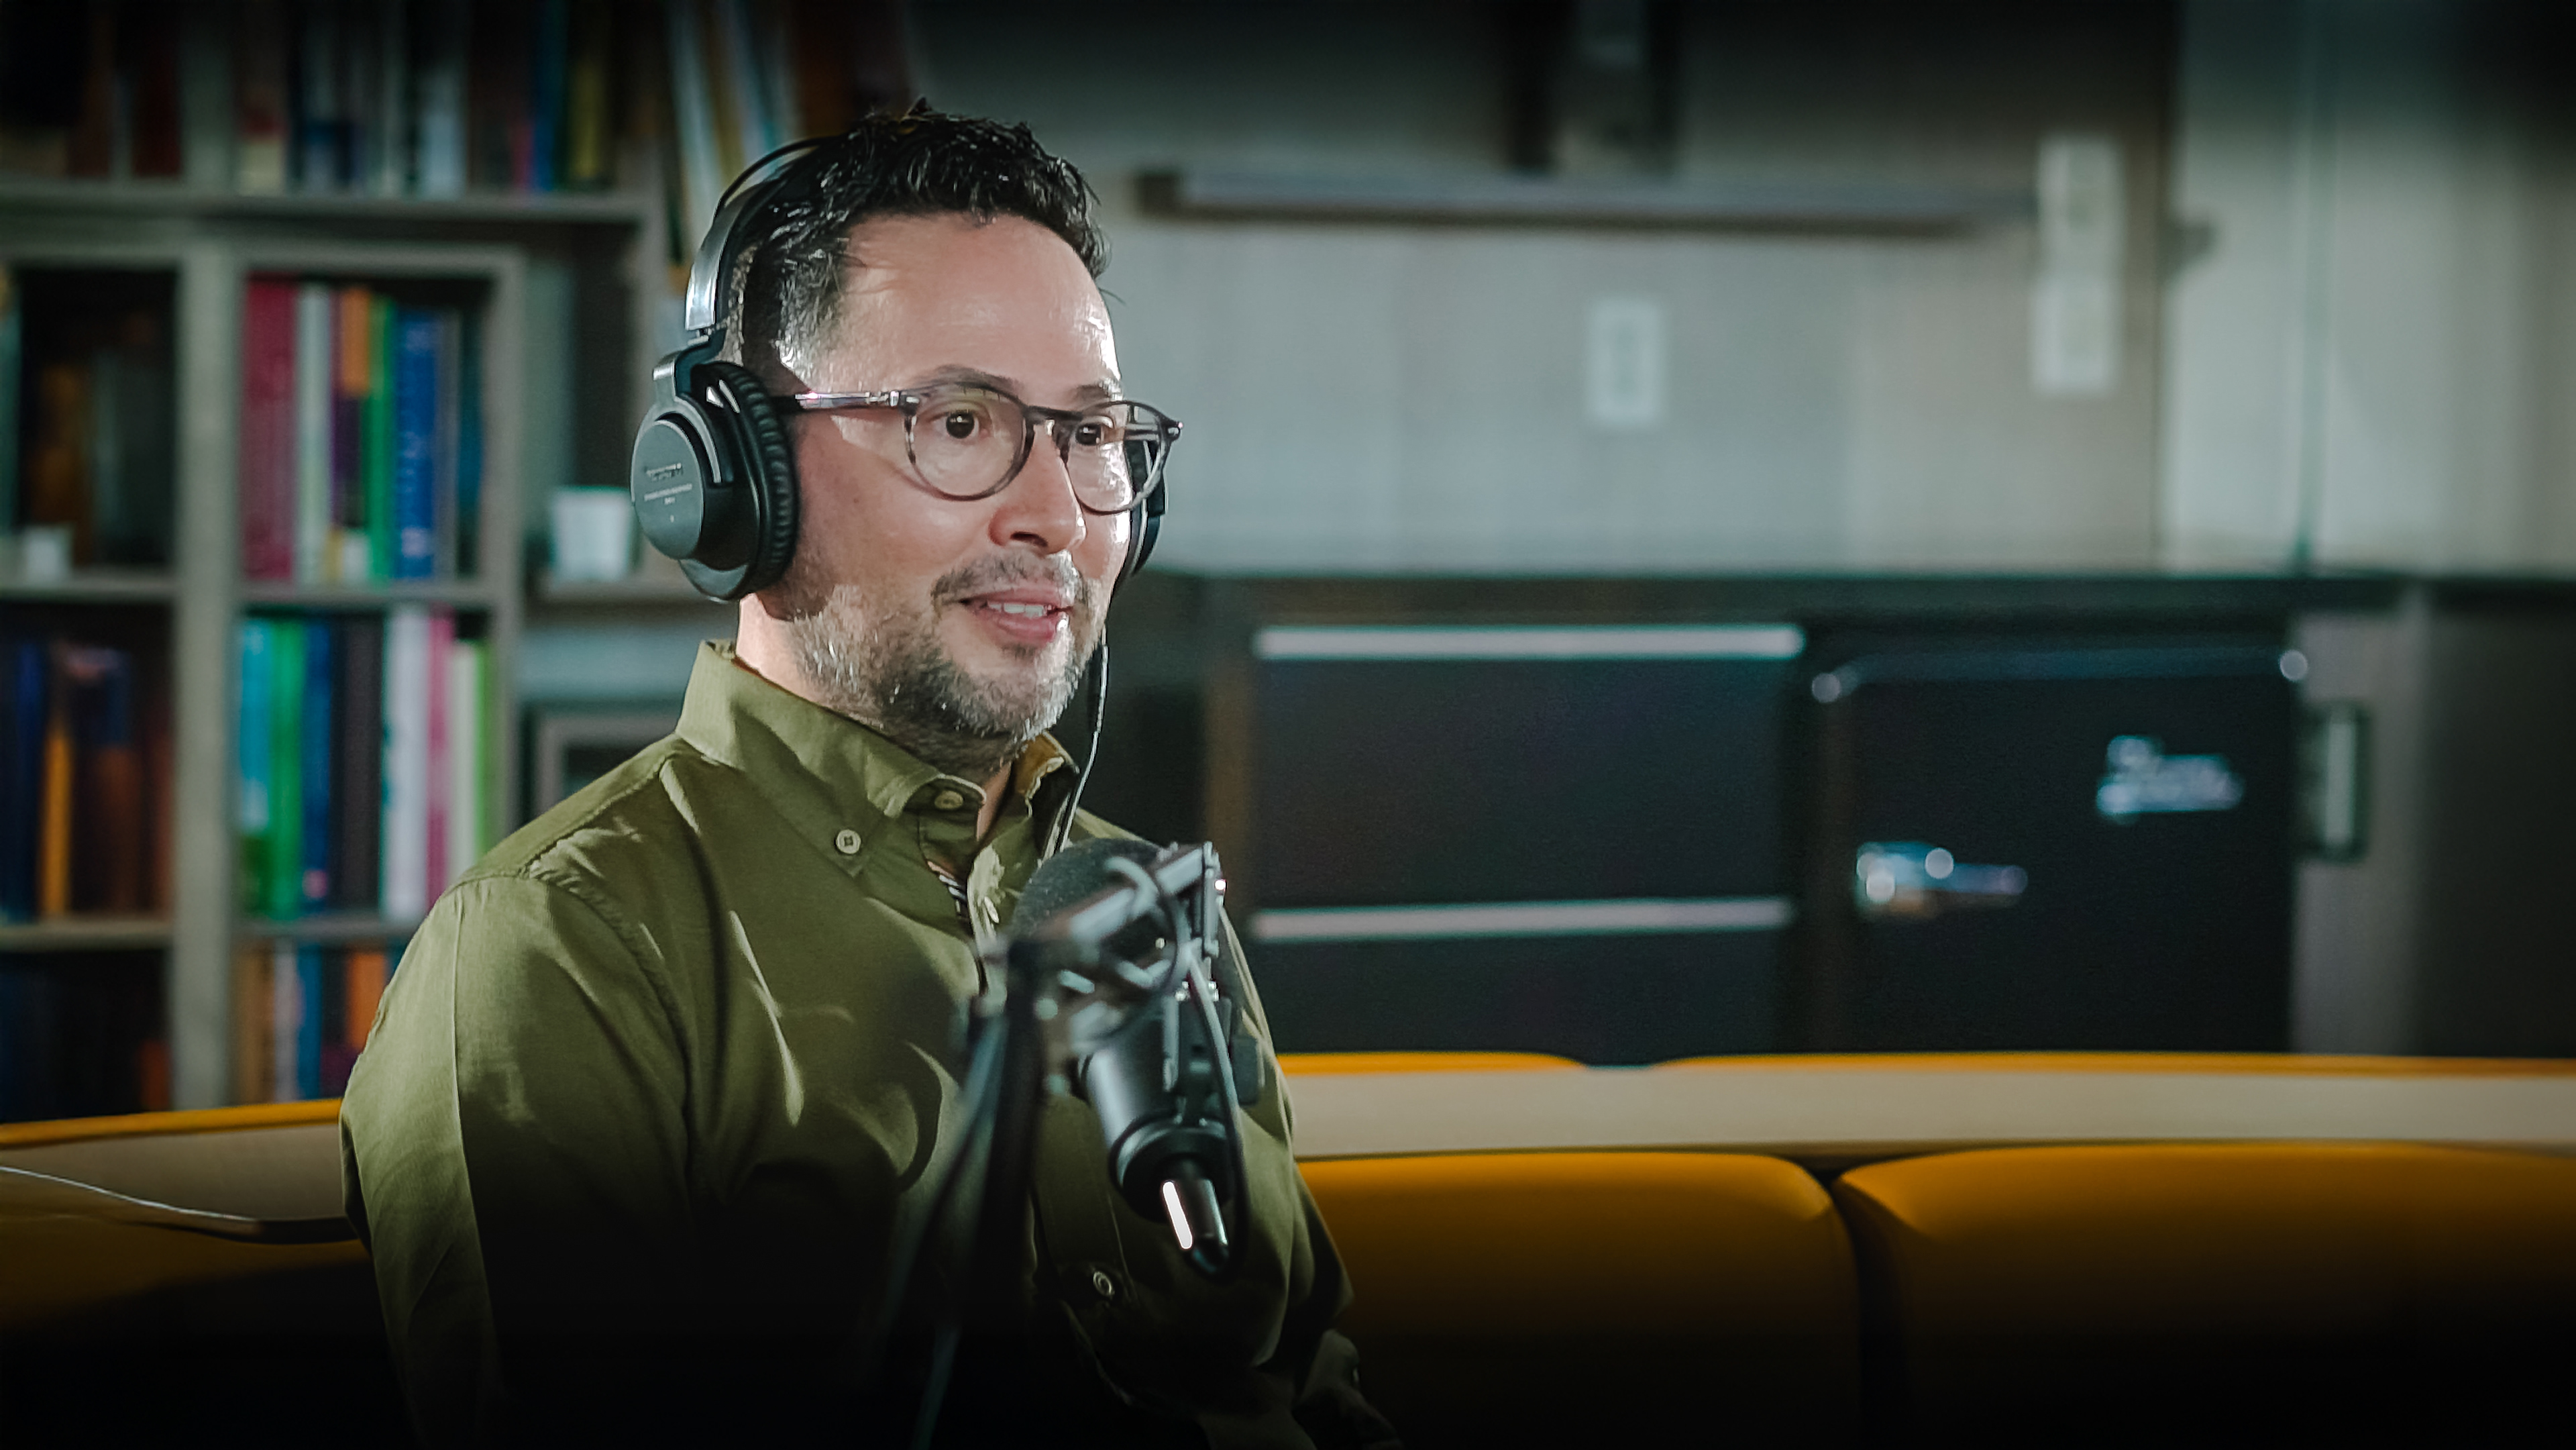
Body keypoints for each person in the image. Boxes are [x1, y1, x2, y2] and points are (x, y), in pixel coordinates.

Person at [340, 109, 1395, 1449]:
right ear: (735, 477)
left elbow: (1317, 1389)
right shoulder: (559, 950)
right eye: (959, 422)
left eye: (1089, 436)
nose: (1057, 518)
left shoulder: (1134, 905)